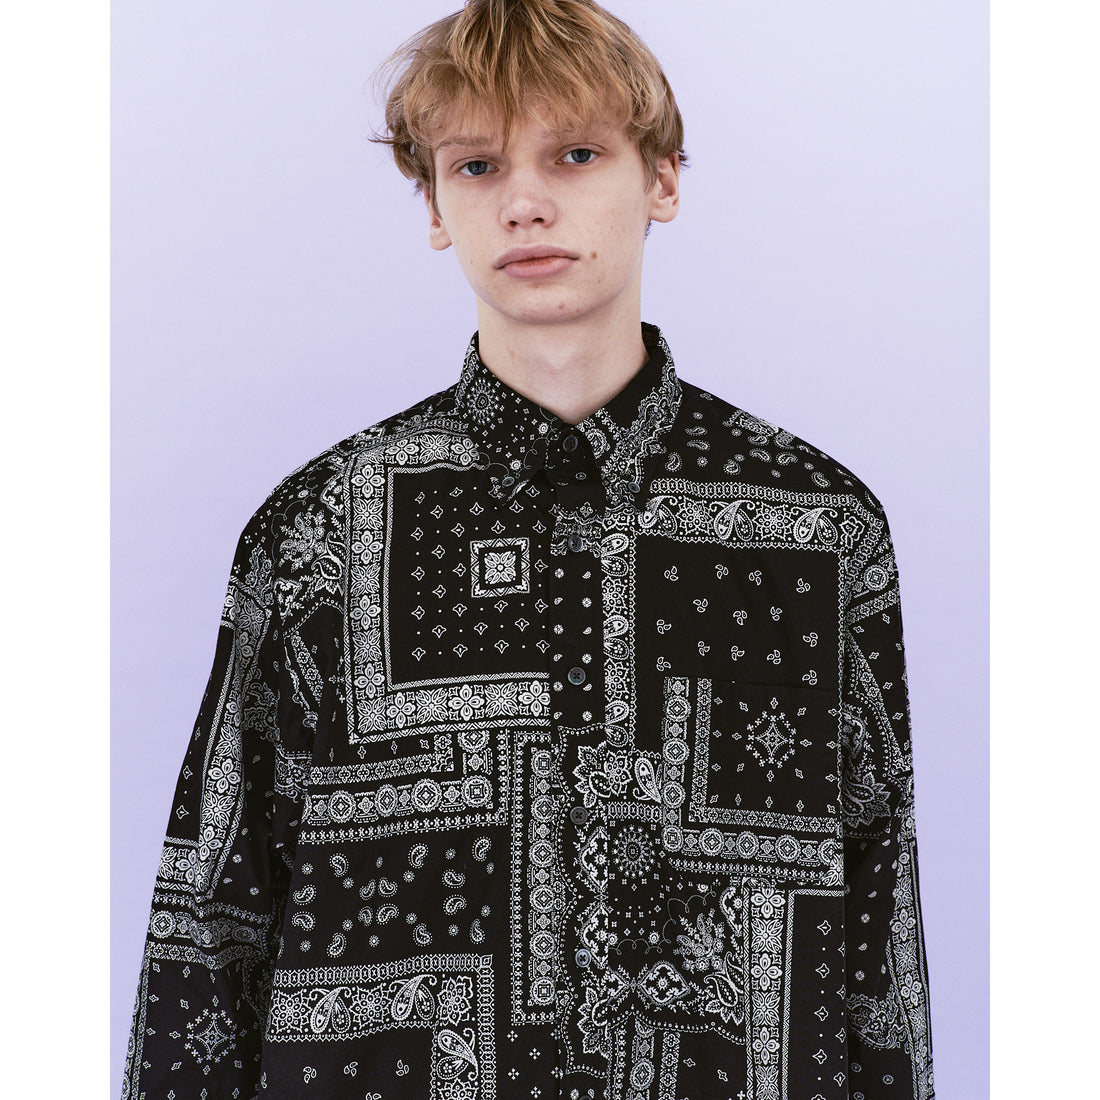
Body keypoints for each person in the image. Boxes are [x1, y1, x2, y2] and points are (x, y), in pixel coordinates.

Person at [121, 2, 934, 1097]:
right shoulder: (318, 532)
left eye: (576, 154)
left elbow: (878, 928)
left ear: (663, 179)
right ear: (433, 206)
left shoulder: (817, 531)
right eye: (476, 165)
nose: (524, 201)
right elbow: (211, 920)